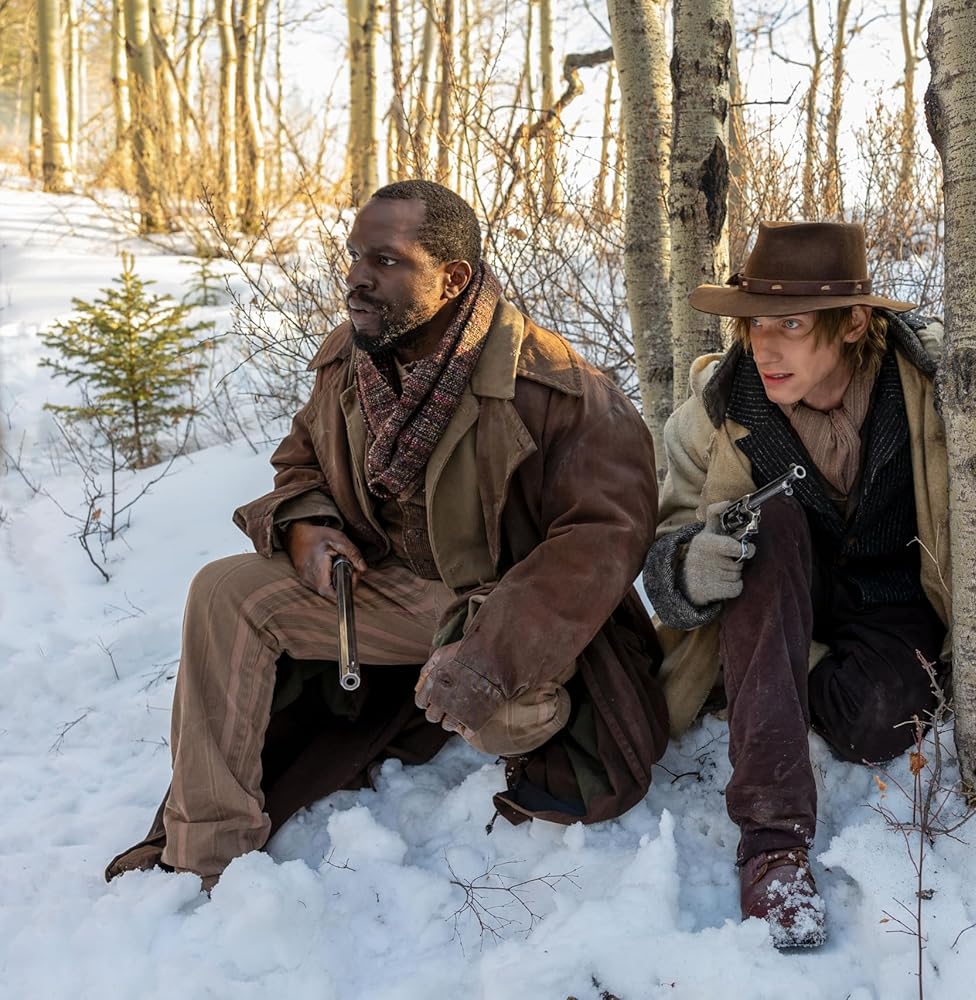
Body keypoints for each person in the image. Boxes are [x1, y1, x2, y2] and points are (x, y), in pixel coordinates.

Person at [106, 180, 668, 888]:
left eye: (386, 260)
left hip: (507, 610)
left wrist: (489, 657)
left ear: (452, 278)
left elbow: (602, 541)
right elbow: (301, 460)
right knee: (224, 591)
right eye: (354, 256)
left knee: (505, 716)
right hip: (390, 589)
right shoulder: (352, 358)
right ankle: (205, 851)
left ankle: (499, 707)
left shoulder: (558, 388)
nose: (357, 278)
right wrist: (307, 524)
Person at [643, 222, 952, 948]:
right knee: (766, 519)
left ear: (854, 323)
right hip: (776, 591)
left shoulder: (930, 385)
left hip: (893, 600)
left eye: (791, 324)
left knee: (879, 722)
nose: (766, 347)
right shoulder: (715, 412)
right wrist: (689, 564)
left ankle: (771, 676)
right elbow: (663, 551)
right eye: (755, 324)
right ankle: (772, 845)